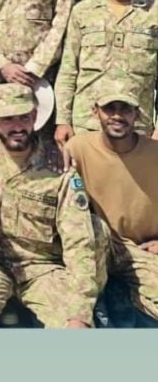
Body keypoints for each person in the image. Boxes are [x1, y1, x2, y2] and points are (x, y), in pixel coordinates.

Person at [0, 84, 103, 328]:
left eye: (24, 117)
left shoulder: (58, 166)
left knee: (75, 326)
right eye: (7, 119)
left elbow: (78, 240)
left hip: (42, 267)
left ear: (35, 116)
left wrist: (79, 312)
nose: (17, 126)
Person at [68, 82, 158, 327]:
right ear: (95, 111)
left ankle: (124, 295)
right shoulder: (77, 148)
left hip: (140, 251)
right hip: (96, 249)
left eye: (125, 109)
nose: (117, 116)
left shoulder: (155, 154)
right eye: (110, 108)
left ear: (137, 114)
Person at [55, 0, 157, 146]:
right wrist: (62, 121)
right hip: (86, 124)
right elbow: (68, 70)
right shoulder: (83, 12)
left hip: (137, 124)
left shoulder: (154, 12)